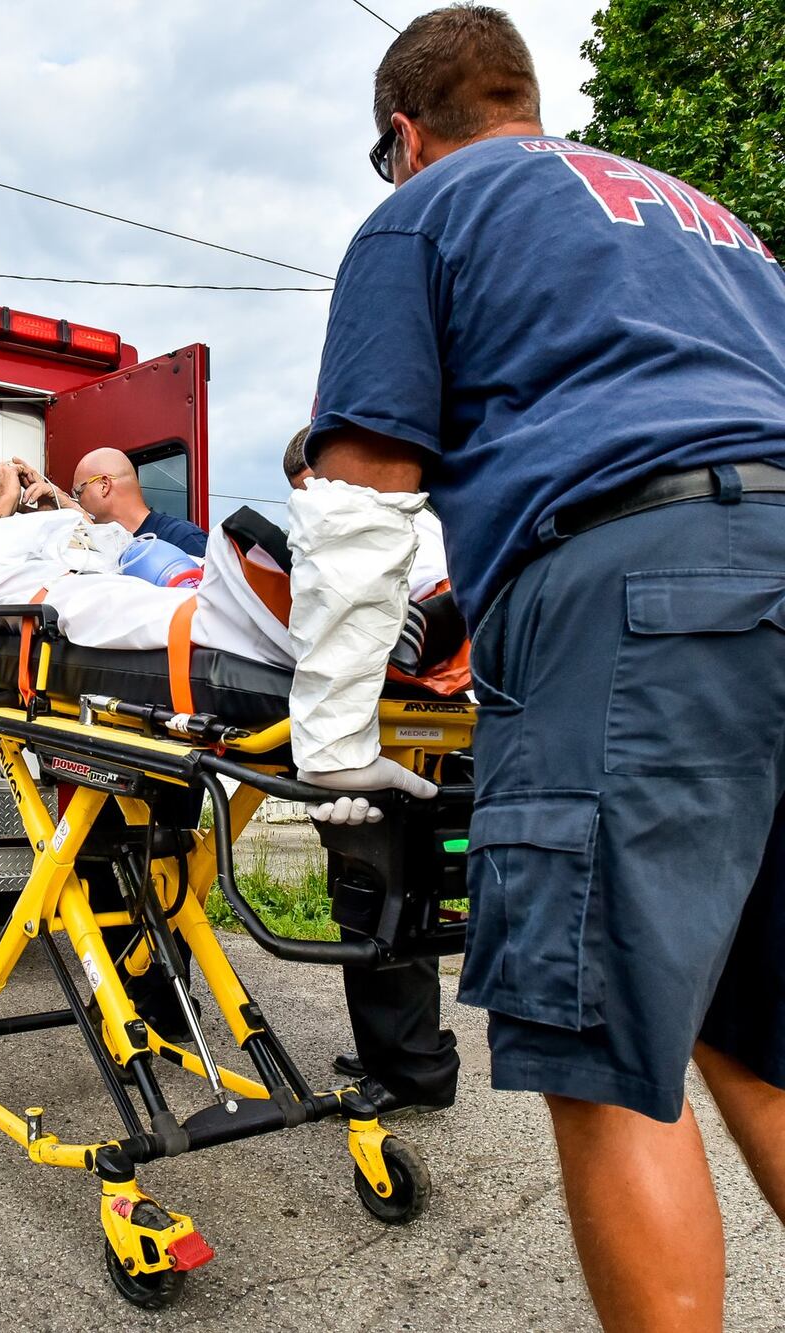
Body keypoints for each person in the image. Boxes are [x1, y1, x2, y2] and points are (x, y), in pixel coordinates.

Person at [292, 7, 785, 1327]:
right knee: (762, 1036)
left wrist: (333, 740)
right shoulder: (707, 221)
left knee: (607, 1051)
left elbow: (360, 494)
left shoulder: (429, 205)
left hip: (642, 605)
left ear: (405, 131)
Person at [285, 427, 459, 1117]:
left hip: (392, 726)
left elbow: (385, 624)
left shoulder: (377, 532)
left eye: (307, 492)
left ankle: (410, 1070)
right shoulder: (429, 524)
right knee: (397, 892)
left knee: (376, 892)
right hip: (415, 722)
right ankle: (404, 1053)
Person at [16, 449, 208, 558]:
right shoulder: (94, 545)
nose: (76, 500)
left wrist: (73, 508)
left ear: (104, 486)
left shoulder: (183, 539)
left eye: (78, 492)